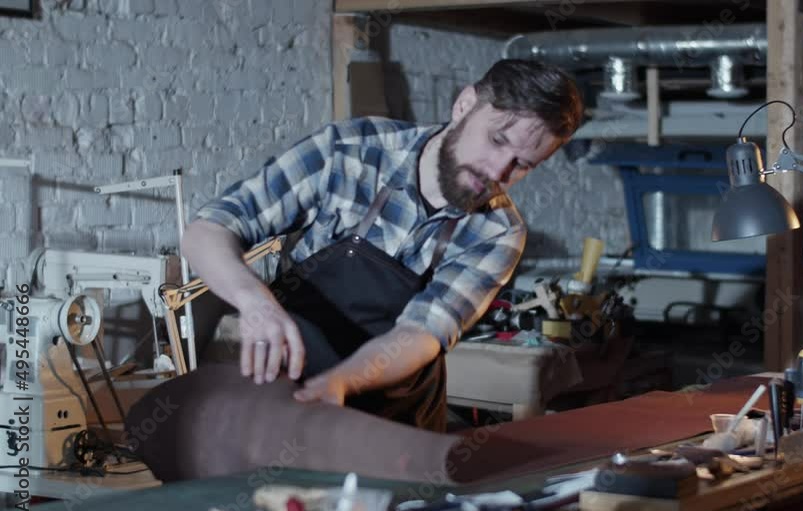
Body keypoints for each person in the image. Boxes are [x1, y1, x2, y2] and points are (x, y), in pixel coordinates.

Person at [180, 59, 584, 431]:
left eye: (523, 165)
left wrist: (340, 382)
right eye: (497, 140)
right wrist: (255, 302)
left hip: (396, 416)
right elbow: (207, 230)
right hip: (291, 389)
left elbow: (422, 334)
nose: (498, 171)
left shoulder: (498, 231)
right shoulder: (350, 151)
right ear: (464, 105)